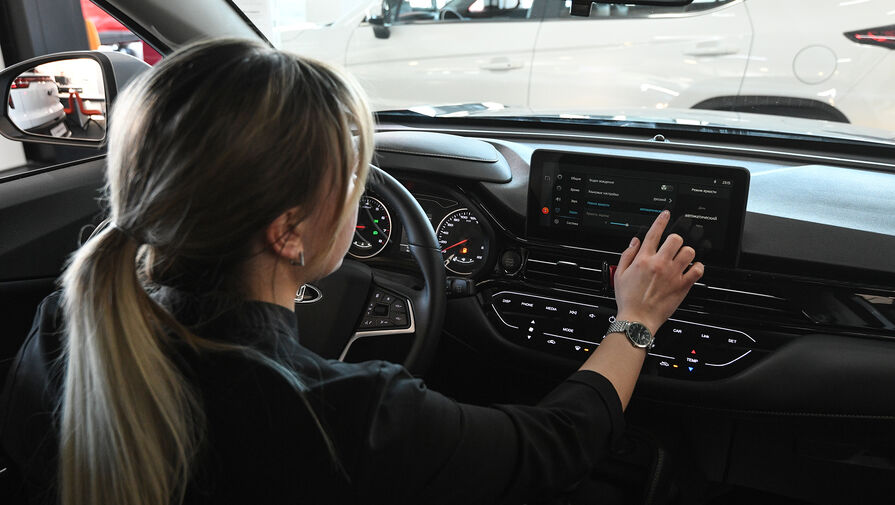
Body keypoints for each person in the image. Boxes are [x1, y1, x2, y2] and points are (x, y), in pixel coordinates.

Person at [0, 38, 702, 505]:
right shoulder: (341, 414)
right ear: (287, 232)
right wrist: (637, 317)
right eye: (354, 181)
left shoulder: (65, 323)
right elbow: (556, 445)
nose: (360, 196)